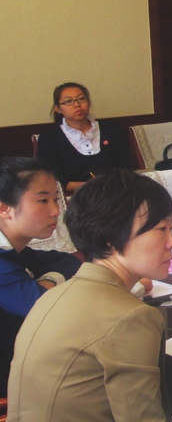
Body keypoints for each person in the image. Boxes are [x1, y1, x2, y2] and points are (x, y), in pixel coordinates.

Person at [8, 170, 172, 421]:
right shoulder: (130, 317)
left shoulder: (53, 296)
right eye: (161, 229)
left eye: (171, 228)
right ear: (110, 239)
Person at [0, 158, 81, 397]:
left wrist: (46, 283)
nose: (55, 211)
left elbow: (68, 260)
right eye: (43, 200)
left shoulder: (16, 251)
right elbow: (41, 306)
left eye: (56, 199)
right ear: (4, 208)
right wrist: (42, 291)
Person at [36, 82, 132, 193]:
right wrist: (90, 186)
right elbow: (51, 178)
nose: (77, 104)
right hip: (74, 196)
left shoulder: (111, 129)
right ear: (58, 109)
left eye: (81, 99)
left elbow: (125, 167)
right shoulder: (49, 138)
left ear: (89, 103)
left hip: (115, 191)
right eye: (68, 101)